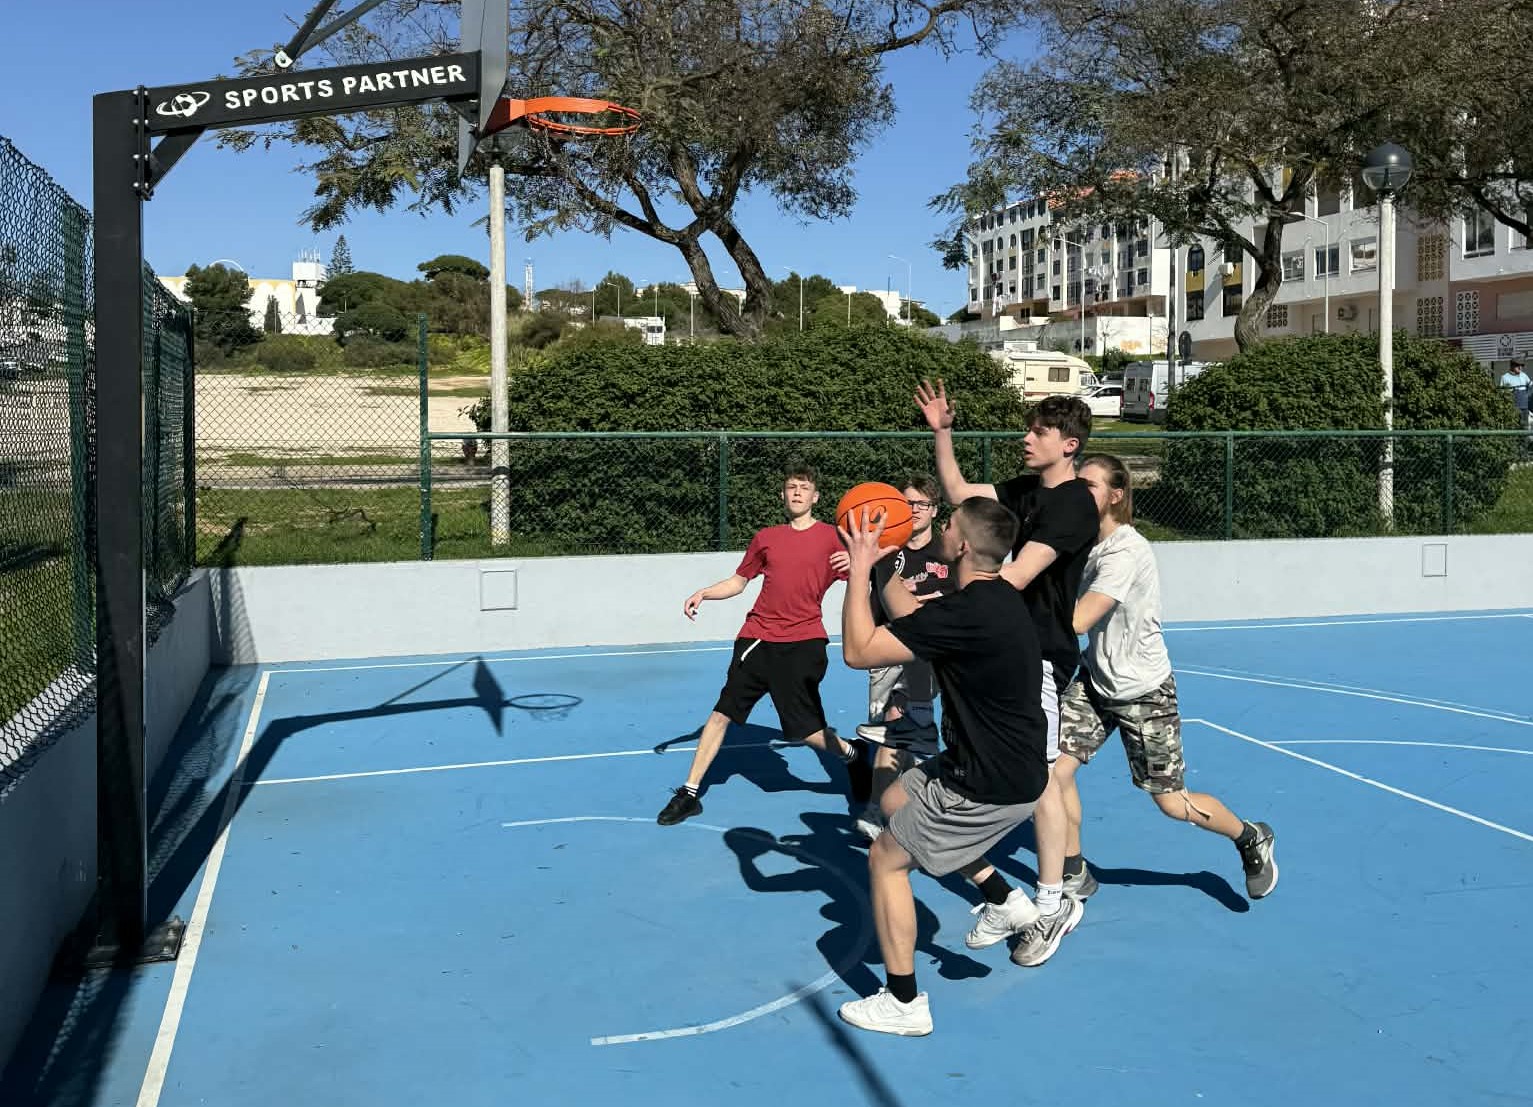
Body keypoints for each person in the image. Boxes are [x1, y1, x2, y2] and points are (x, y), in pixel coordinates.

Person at [835, 497, 1050, 1036]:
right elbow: (913, 618)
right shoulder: (995, 598)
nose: (941, 529)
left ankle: (904, 1002)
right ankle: (1003, 899)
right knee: (895, 799)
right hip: (1003, 764)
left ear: (963, 545)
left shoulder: (967, 612)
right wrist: (881, 565)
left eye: (949, 524)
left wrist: (857, 571)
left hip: (988, 782)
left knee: (885, 859)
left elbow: (858, 652)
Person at [915, 381, 1099, 966]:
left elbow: (1014, 577)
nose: (1027, 438)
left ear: (1068, 445)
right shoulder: (1024, 490)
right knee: (986, 758)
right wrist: (943, 433)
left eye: (1039, 431)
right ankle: (1017, 892)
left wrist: (938, 615)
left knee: (1039, 775)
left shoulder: (1074, 504)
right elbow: (960, 496)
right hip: (1001, 643)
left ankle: (1052, 903)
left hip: (1038, 652)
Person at [1054, 454, 1278, 899]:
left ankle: (1249, 836)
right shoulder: (1084, 544)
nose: (1078, 493)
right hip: (1096, 680)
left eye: (1089, 486)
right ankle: (1073, 870)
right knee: (1053, 771)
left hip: (1143, 692)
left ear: (1116, 496)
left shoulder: (1126, 552)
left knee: (1172, 803)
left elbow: (1079, 620)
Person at [657, 463, 870, 826]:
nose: (797, 492)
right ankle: (689, 793)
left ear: (816, 497)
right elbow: (739, 581)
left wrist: (856, 561)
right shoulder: (766, 537)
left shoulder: (833, 538)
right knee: (721, 713)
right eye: (791, 487)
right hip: (756, 638)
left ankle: (852, 756)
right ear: (783, 495)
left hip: (803, 641)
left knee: (804, 731)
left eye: (804, 487)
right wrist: (704, 593)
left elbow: (864, 578)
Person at [850, 474, 957, 842]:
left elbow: (961, 598)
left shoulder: (947, 550)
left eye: (922, 504)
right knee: (893, 730)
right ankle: (890, 804)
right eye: (908, 503)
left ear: (935, 510)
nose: (914, 510)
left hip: (933, 653)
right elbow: (870, 600)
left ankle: (886, 807)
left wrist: (924, 601)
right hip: (888, 647)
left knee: (905, 724)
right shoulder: (887, 549)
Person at [1500, 356, 1530, 431]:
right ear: (1512, 365)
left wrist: (1527, 396)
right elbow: (1501, 394)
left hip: (1524, 408)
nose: (1520, 368)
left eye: (1522, 365)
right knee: (1512, 429)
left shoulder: (1524, 375)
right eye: (1518, 365)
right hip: (1512, 409)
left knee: (1525, 429)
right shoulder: (1505, 377)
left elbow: (1531, 386)